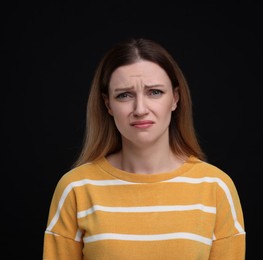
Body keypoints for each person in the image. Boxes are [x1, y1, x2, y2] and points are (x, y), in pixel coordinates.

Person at [43, 37, 246, 259]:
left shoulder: (216, 188)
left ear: (175, 98)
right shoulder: (76, 189)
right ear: (108, 104)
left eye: (154, 92)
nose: (140, 109)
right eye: (124, 95)